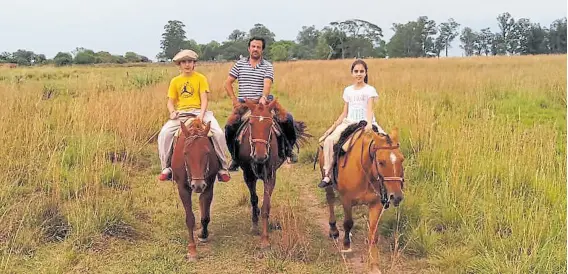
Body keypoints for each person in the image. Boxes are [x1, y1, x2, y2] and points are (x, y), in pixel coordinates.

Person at [224, 36, 298, 171]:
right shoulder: (239, 64)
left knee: (288, 119)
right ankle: (235, 158)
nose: (255, 49)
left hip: (264, 103)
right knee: (229, 127)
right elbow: (228, 83)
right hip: (244, 104)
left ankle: (288, 149)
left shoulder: (267, 66)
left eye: (258, 47)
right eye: (253, 46)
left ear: (262, 50)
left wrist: (264, 97)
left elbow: (267, 83)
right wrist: (234, 100)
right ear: (249, 48)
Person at [157, 49, 231, 182]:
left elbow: (204, 99)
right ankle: (166, 167)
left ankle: (223, 168)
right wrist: (172, 112)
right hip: (181, 114)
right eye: (184, 62)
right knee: (164, 133)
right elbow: (170, 101)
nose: (187, 64)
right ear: (179, 65)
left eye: (190, 61)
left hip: (199, 111)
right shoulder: (175, 81)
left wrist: (201, 115)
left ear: (194, 63)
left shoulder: (200, 78)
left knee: (218, 133)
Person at [318, 59, 386, 188]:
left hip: (366, 121)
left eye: (361, 71)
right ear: (352, 73)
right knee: (329, 141)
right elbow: (344, 112)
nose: (359, 74)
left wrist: (370, 124)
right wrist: (332, 128)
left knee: (388, 143)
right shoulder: (348, 90)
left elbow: (370, 109)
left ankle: (388, 179)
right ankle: (328, 174)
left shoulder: (370, 90)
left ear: (366, 73)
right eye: (356, 71)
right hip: (349, 122)